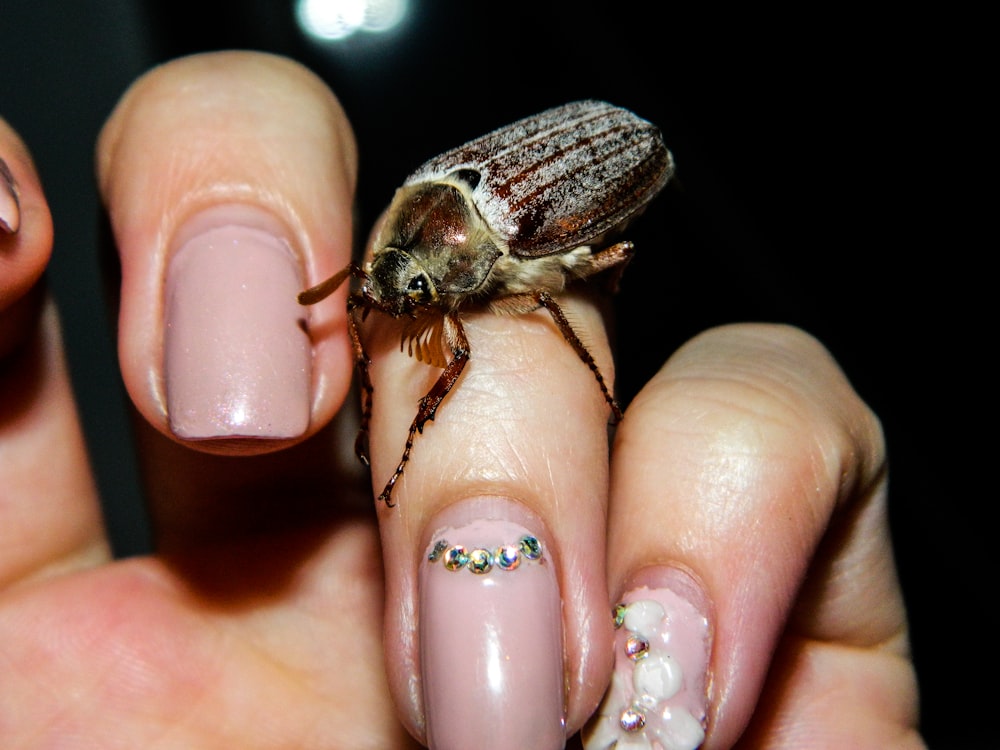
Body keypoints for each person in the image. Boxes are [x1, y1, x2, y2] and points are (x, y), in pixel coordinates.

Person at [0, 52, 925, 749]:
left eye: (407, 297)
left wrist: (411, 448)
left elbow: (576, 254)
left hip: (606, 168)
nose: (401, 318)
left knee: (522, 328)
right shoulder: (416, 226)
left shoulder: (504, 251)